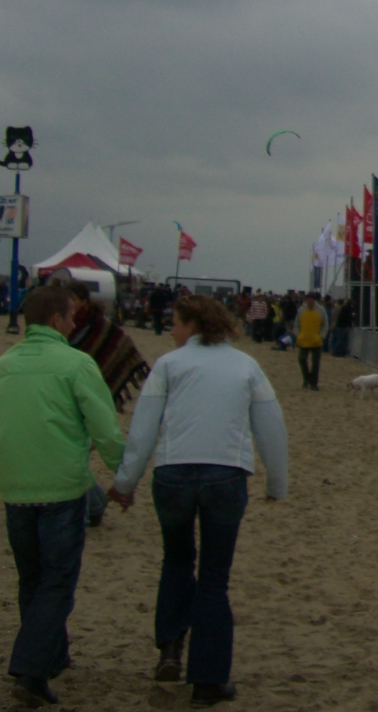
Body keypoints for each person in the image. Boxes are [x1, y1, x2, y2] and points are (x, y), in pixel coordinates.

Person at [109, 294, 288, 707]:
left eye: (176, 322)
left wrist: (125, 481)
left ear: (194, 326)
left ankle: (171, 648)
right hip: (226, 474)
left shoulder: (170, 366)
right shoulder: (246, 366)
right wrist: (277, 483)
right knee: (213, 578)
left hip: (173, 473)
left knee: (175, 559)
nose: (170, 330)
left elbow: (143, 430)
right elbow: (271, 426)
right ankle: (208, 679)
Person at [0, 287, 126, 708]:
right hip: (62, 489)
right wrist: (123, 475)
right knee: (57, 584)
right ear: (56, 319)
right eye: (71, 316)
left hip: (15, 491)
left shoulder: (5, 364)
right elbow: (106, 427)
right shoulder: (76, 363)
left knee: (32, 580)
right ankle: (31, 671)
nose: (75, 323)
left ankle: (52, 655)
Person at [294, 296, 327, 391]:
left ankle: (313, 383)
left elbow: (325, 324)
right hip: (303, 340)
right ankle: (306, 378)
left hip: (316, 341)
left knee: (315, 363)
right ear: (306, 300)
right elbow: (297, 324)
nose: (310, 301)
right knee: (301, 359)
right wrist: (298, 335)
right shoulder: (301, 310)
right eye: (308, 299)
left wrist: (321, 336)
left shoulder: (321, 310)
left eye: (312, 299)